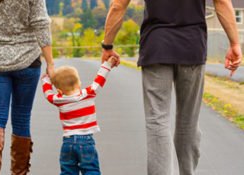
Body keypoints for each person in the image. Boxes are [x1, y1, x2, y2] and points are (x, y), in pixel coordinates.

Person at [101, 0, 242, 174]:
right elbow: (221, 2)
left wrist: (107, 45)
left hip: (156, 47)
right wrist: (234, 43)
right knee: (188, 122)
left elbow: (118, 5)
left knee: (157, 120)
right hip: (192, 47)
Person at [0, 0, 54, 174]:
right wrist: (50, 62)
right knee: (22, 118)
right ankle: (19, 172)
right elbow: (41, 23)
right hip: (28, 60)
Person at [42, 57, 117, 175]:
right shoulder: (88, 94)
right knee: (91, 170)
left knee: (68, 171)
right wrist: (108, 64)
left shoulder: (58, 99)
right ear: (78, 83)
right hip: (86, 142)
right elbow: (100, 79)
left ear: (59, 90)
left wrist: (46, 79)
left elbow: (48, 93)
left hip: (67, 142)